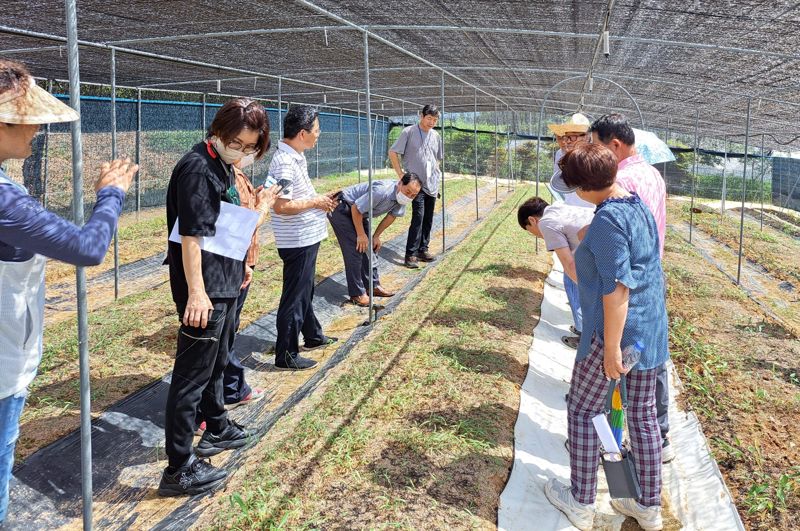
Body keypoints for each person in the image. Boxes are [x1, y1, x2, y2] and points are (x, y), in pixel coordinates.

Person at [0, 59, 137, 522]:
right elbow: (87, 247)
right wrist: (112, 193)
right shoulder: (4, 200)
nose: (37, 129)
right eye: (28, 119)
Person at [544, 143, 668, 531]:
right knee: (643, 415)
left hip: (615, 334)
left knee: (583, 411)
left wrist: (611, 349)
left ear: (582, 188)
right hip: (650, 329)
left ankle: (581, 501)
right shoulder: (634, 205)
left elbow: (616, 291)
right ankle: (647, 506)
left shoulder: (607, 223)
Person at [160, 98, 272, 496]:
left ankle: (217, 425)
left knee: (213, 365)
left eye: (250, 147)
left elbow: (223, 226)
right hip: (204, 290)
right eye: (237, 143)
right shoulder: (196, 168)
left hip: (223, 282)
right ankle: (178, 467)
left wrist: (241, 260)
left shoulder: (222, 165)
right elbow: (192, 236)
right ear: (218, 132)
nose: (242, 152)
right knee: (191, 377)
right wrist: (197, 293)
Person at [585, 113, 673, 464]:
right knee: (654, 362)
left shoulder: (620, 182)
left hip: (630, 289)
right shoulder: (652, 173)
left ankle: (625, 441)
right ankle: (660, 436)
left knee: (626, 372)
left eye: (597, 145)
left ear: (615, 145)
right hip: (652, 279)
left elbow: (618, 268)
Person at [194, 155, 277, 435]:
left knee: (224, 338)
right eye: (246, 144)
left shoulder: (233, 174)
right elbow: (239, 225)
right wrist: (265, 205)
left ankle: (222, 396)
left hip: (235, 265)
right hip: (224, 271)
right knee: (216, 342)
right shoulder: (217, 175)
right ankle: (207, 408)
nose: (252, 152)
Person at [270, 105, 339, 371]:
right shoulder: (285, 162)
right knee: (295, 296)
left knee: (305, 290)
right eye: (317, 131)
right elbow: (281, 206)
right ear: (302, 133)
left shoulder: (295, 156)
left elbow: (296, 197)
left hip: (306, 236)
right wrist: (315, 202)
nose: (318, 135)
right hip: (296, 240)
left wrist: (320, 200)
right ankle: (286, 354)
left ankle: (312, 336)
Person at [329, 172, 422, 306]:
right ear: (400, 183)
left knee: (370, 247)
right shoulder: (381, 191)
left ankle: (372, 285)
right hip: (343, 208)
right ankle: (357, 294)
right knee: (356, 249)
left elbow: (392, 216)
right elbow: (356, 208)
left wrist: (376, 236)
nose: (409, 197)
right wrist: (361, 235)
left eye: (413, 195)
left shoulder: (402, 198)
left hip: (361, 213)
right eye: (408, 192)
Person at [517, 197, 593, 349]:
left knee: (573, 282)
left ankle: (587, 336)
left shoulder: (547, 223)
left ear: (532, 220)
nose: (535, 235)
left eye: (530, 231)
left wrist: (592, 291)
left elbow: (570, 265)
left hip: (606, 251)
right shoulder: (559, 207)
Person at [388, 105, 443, 269]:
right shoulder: (409, 132)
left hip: (431, 183)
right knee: (418, 217)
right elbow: (393, 152)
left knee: (428, 218)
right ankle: (410, 254)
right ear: (421, 116)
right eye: (429, 118)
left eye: (434, 120)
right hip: (415, 185)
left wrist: (434, 168)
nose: (431, 122)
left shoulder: (436, 135)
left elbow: (438, 157)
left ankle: (423, 250)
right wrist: (401, 175)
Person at [547, 113, 594, 209]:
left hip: (590, 209)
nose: (567, 141)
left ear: (586, 136)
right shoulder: (562, 154)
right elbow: (558, 178)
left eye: (573, 137)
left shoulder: (595, 157)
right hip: (570, 206)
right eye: (566, 136)